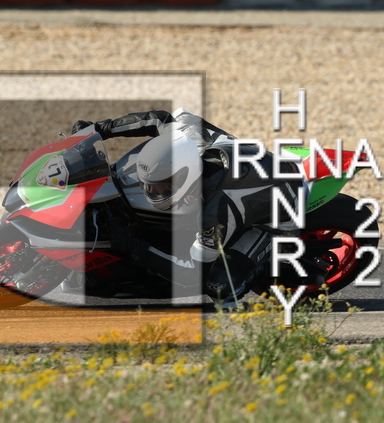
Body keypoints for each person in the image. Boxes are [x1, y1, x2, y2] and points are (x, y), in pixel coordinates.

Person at [72, 109, 302, 307]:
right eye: (150, 186)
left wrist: (135, 246)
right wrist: (99, 129)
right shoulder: (187, 137)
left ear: (185, 175)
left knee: (217, 285)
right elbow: (158, 119)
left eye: (161, 187)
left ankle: (260, 268)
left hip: (281, 210)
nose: (153, 192)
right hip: (252, 170)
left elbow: (193, 272)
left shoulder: (215, 213)